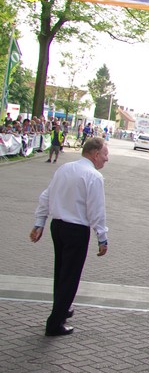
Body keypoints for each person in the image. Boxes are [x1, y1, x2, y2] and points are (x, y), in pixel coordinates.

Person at [30, 136, 109, 337]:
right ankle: (55, 323)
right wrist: (102, 237)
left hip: (58, 226)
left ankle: (62, 308)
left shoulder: (65, 168)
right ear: (95, 154)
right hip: (76, 229)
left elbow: (46, 196)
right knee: (70, 276)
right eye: (105, 154)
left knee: (61, 271)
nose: (106, 159)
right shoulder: (94, 176)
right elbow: (96, 210)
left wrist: (40, 222)